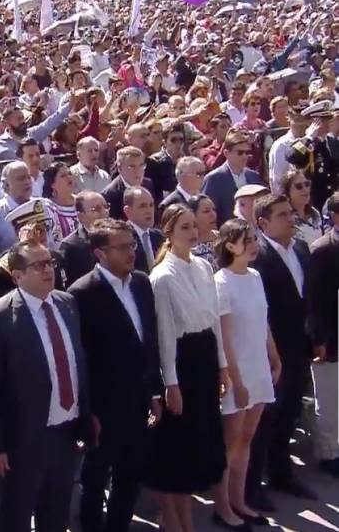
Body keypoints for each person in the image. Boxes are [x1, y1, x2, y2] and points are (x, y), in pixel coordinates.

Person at [0, 241, 90, 532]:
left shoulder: (67, 304)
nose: (48, 269)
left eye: (50, 262)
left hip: (65, 432)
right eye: (38, 265)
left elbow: (78, 363)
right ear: (17, 275)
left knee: (57, 514)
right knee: (17, 517)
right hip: (22, 441)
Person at [68, 219, 162, 532]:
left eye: (132, 245)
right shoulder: (82, 294)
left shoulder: (140, 283)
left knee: (130, 473)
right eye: (121, 247)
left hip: (137, 401)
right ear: (100, 253)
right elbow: (79, 358)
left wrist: (155, 393)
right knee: (95, 479)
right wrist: (87, 411)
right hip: (103, 407)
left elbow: (150, 341)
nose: (130, 252)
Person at [146, 204, 229, 532]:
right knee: (177, 447)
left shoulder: (204, 267)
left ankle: (187, 519)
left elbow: (215, 324)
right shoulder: (162, 276)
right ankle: (173, 520)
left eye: (194, 226)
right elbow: (165, 333)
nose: (193, 233)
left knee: (202, 441)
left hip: (205, 359)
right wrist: (172, 383)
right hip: (182, 362)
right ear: (168, 232)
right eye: (184, 227)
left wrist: (222, 365)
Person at [247, 194, 318, 509]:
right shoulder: (257, 258)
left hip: (300, 347)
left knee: (289, 413)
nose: (291, 218)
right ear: (263, 223)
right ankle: (252, 485)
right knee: (265, 420)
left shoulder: (302, 249)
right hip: (271, 351)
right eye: (282, 214)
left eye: (291, 212)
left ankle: (281, 473)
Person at [212, 220, 281, 529]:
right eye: (247, 239)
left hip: (258, 367)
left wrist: (275, 357)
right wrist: (235, 381)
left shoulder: (254, 276)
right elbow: (224, 338)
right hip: (237, 372)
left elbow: (263, 321)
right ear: (230, 245)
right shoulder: (221, 282)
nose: (254, 244)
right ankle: (222, 506)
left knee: (247, 439)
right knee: (230, 442)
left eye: (254, 238)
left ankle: (239, 501)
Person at [308, 192, 339, 477]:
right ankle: (329, 454)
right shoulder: (322, 249)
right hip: (332, 337)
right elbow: (316, 302)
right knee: (329, 399)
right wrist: (320, 341)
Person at [202, 132, 265, 226]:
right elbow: (206, 214)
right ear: (226, 153)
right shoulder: (214, 179)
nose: (244, 156)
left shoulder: (253, 176)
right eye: (240, 152)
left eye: (247, 153)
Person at [0, 161, 34, 256]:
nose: (27, 182)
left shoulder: (42, 205)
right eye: (20, 179)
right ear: (6, 184)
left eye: (28, 177)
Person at [59, 191, 109, 285]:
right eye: (96, 209)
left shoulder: (119, 237)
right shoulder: (71, 246)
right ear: (81, 217)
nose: (104, 212)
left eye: (105, 206)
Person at [123, 187, 164, 274]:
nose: (149, 210)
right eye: (143, 206)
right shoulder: (123, 238)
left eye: (151, 205)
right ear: (128, 211)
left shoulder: (159, 236)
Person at [280, 168, 323, 246]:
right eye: (298, 186)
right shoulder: (286, 219)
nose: (305, 189)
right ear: (288, 192)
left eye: (307, 184)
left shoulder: (315, 214)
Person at [189, 194, 221, 269]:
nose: (213, 214)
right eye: (206, 211)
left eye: (214, 210)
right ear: (193, 216)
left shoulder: (223, 238)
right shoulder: (187, 245)